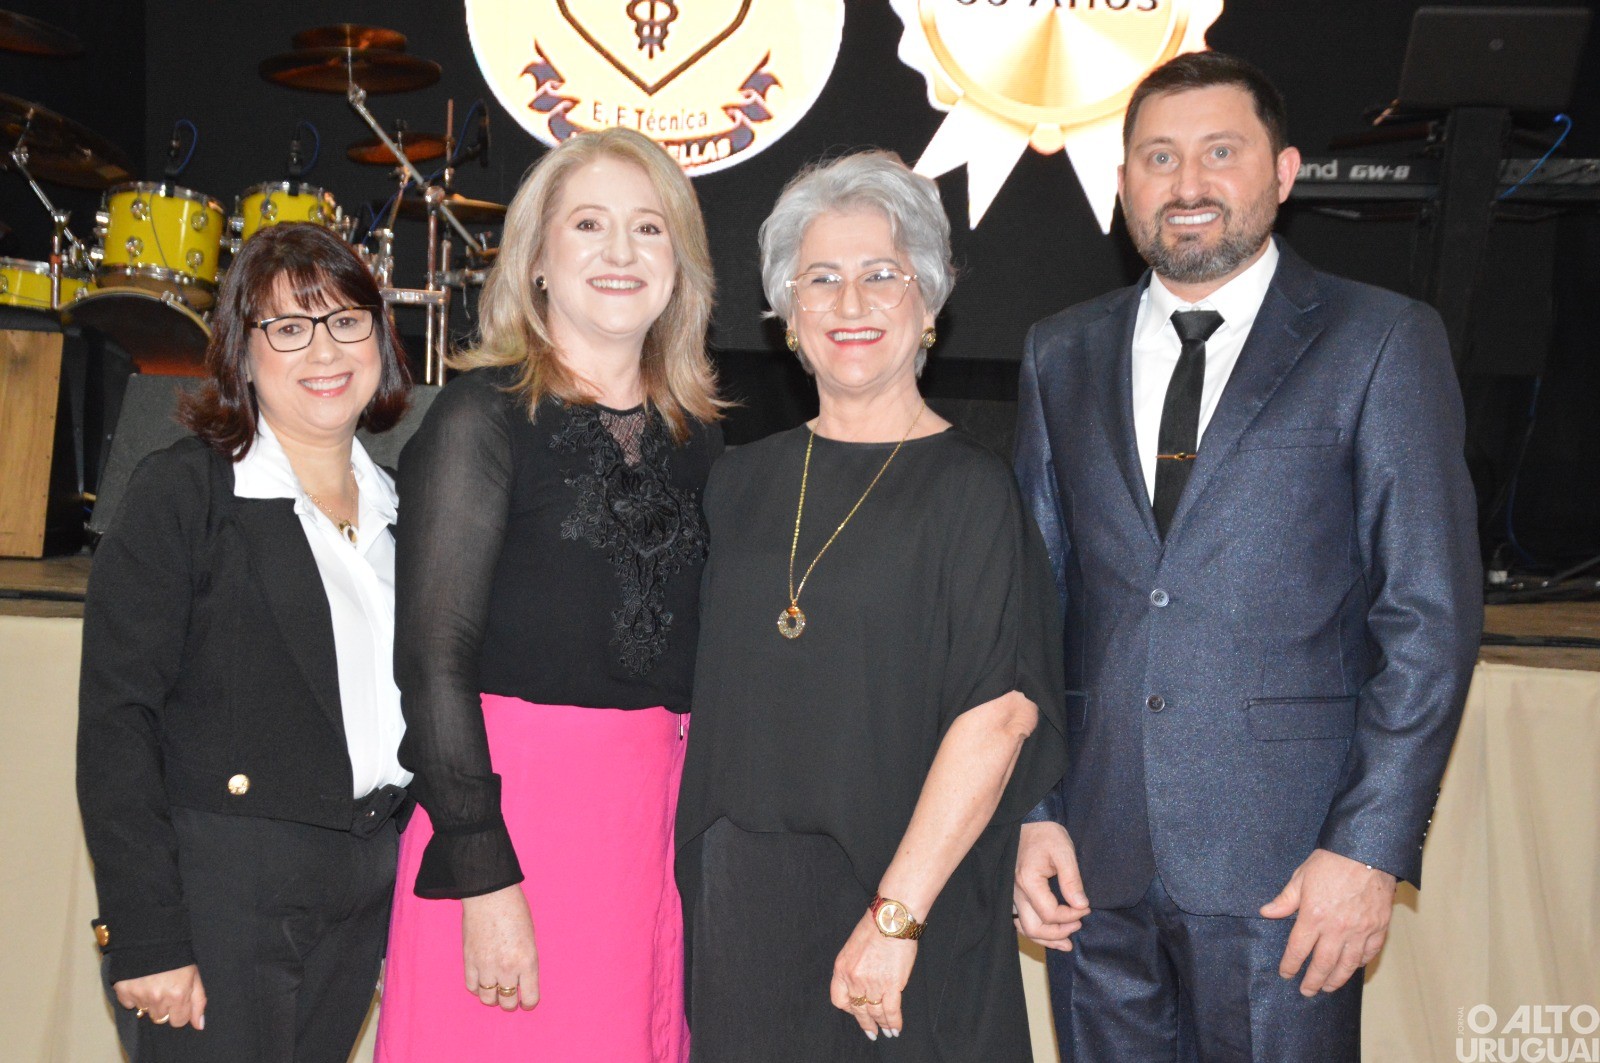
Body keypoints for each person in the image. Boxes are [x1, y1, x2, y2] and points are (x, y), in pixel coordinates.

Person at [1012, 51, 1482, 1061]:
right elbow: (1033, 605)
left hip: (1289, 866)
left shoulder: (1380, 340)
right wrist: (1033, 810)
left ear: (1283, 171)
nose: (1186, 185)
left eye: (1219, 153)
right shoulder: (1059, 352)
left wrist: (1366, 849)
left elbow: (1427, 617)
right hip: (1094, 863)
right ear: (1123, 183)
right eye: (1157, 158)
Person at [675, 150, 1068, 1062]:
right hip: (741, 912)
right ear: (786, 316)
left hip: (903, 905)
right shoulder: (736, 482)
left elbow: (1001, 714)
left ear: (927, 306)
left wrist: (896, 918)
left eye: (882, 276)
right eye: (821, 279)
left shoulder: (973, 493)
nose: (850, 305)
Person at [374, 127, 722, 1062]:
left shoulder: (699, 442)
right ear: (535, 259)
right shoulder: (478, 417)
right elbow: (432, 661)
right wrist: (481, 872)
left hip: (649, 838)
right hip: (507, 829)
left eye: (649, 228)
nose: (621, 253)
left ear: (679, 266)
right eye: (590, 225)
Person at [77, 222, 414, 1062]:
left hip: (361, 889)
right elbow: (118, 723)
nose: (324, 350)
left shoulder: (406, 506)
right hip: (222, 895)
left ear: (380, 338)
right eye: (289, 328)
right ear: (241, 348)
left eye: (346, 320)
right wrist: (148, 932)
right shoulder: (184, 492)